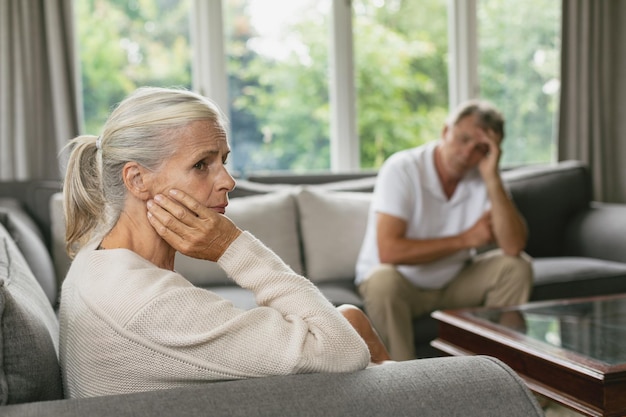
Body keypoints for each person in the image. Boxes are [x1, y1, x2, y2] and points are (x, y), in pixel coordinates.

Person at [59, 86, 390, 399]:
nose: (228, 182)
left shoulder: (96, 259)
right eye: (202, 164)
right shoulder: (146, 303)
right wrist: (233, 246)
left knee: (350, 317)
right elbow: (343, 350)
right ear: (137, 179)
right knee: (349, 327)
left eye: (224, 161)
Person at [355, 99, 533, 361]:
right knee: (383, 280)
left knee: (516, 267)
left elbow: (513, 246)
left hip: (454, 281)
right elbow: (390, 251)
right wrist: (467, 239)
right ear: (445, 131)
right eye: (463, 139)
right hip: (402, 284)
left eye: (480, 148)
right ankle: (402, 387)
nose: (467, 153)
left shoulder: (482, 175)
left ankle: (502, 373)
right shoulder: (402, 168)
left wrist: (493, 177)